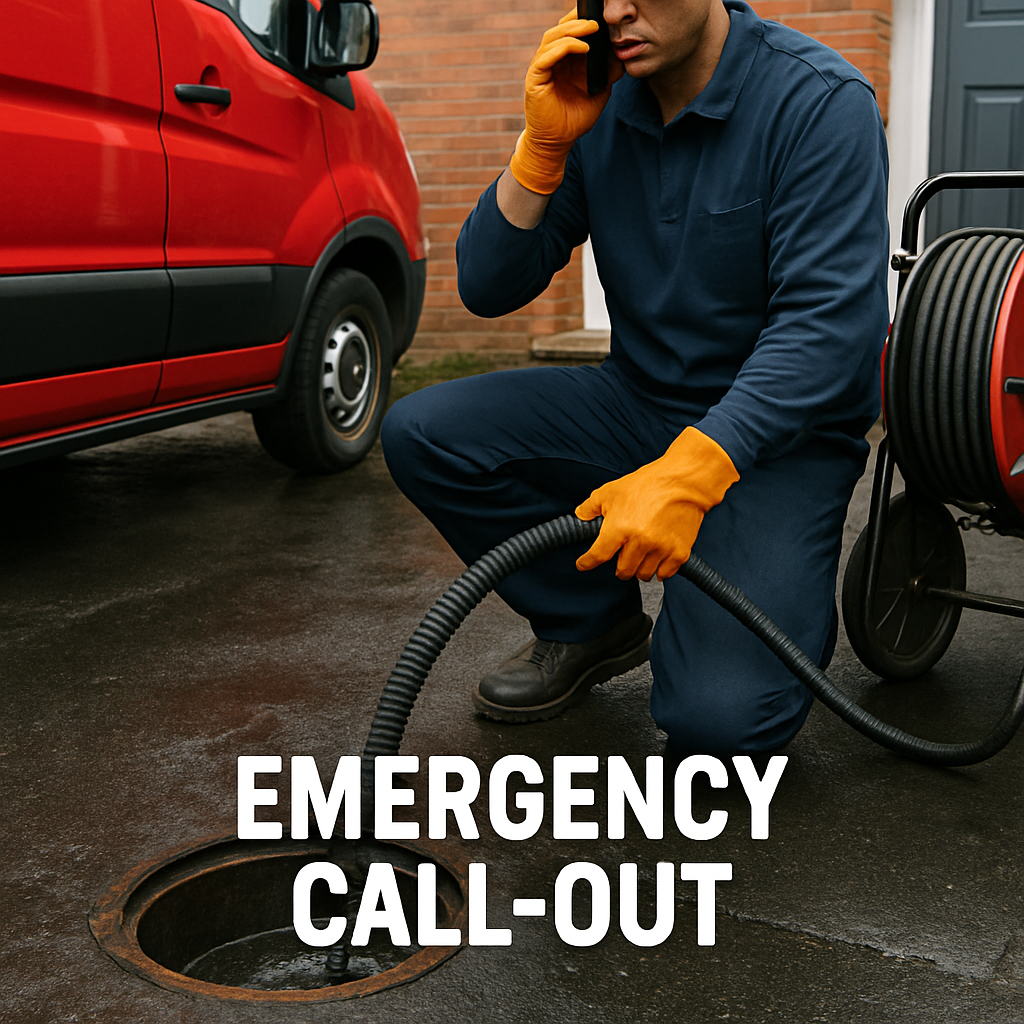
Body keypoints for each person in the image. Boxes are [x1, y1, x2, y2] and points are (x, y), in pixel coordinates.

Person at [380, 0, 889, 758]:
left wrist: (687, 477)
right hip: (638, 402)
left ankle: (756, 603)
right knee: (427, 433)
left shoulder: (818, 101)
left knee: (718, 726)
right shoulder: (600, 103)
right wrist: (541, 148)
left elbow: (829, 329)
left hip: (779, 443)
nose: (616, 9)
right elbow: (487, 284)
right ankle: (589, 624)